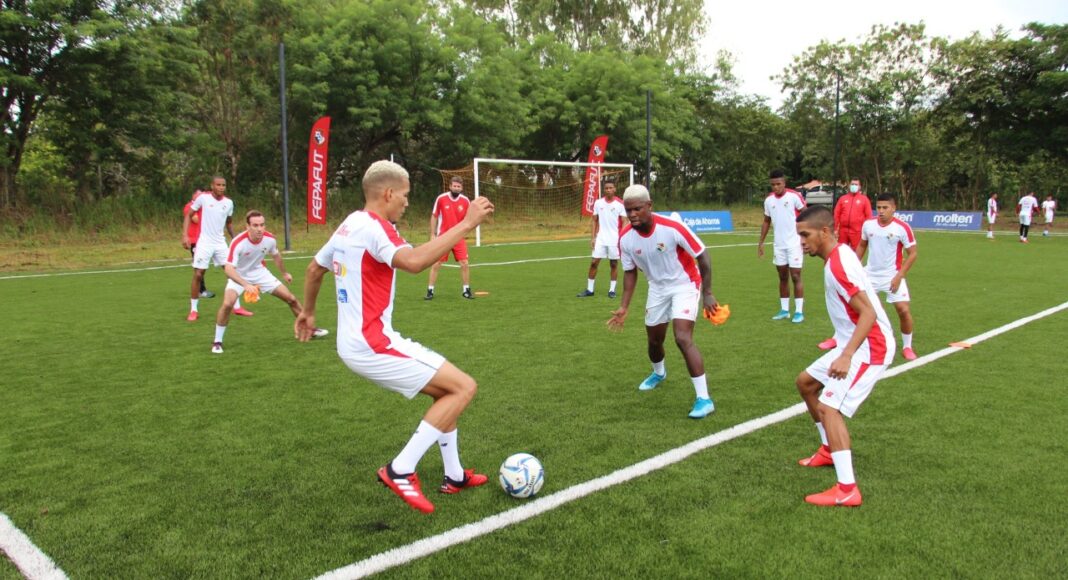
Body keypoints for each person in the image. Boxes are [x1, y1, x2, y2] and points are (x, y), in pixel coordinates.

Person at [295, 160, 495, 514]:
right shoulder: (376, 228)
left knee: (447, 391)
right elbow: (414, 262)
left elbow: (314, 269)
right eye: (404, 195)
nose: (406, 201)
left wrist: (307, 312)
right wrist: (466, 224)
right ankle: (400, 469)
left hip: (357, 342)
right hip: (373, 343)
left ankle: (454, 475)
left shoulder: (350, 223)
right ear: (388, 193)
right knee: (464, 387)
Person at [794, 205, 895, 507]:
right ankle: (828, 450)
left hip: (870, 346)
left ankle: (847, 489)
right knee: (806, 383)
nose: (801, 242)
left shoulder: (838, 265)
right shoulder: (839, 256)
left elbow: (868, 313)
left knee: (829, 407)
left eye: (805, 235)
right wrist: (839, 340)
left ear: (825, 232)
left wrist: (846, 354)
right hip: (852, 342)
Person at [606, 184, 721, 419]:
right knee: (654, 341)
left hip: (685, 284)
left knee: (682, 337)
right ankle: (659, 373)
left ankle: (704, 399)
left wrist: (708, 292)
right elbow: (630, 272)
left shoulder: (672, 227)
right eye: (628, 210)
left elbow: (702, 255)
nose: (632, 214)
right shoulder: (625, 238)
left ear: (649, 205)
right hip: (657, 289)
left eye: (637, 209)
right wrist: (624, 306)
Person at [211, 211, 328, 354]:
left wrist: (284, 273)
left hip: (260, 273)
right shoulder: (238, 242)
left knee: (291, 299)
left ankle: (310, 329)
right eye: (255, 225)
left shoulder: (270, 239)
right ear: (247, 226)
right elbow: (228, 269)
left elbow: (276, 255)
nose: (259, 229)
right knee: (227, 304)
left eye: (262, 225)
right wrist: (246, 285)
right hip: (239, 275)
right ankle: (217, 342)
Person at [857, 194, 918, 361]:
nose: (881, 211)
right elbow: (862, 245)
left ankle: (907, 347)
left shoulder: (902, 227)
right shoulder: (868, 225)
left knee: (903, 310)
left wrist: (899, 276)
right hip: (870, 275)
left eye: (885, 207)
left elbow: (913, 253)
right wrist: (854, 266)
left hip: (892, 275)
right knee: (859, 309)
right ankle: (844, 340)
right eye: (879, 207)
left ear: (893, 208)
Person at [182, 176, 252, 321]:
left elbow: (229, 223)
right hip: (204, 242)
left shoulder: (229, 203)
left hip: (220, 243)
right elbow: (189, 215)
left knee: (232, 273)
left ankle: (237, 307)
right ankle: (193, 310)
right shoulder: (203, 198)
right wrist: (185, 235)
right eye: (218, 185)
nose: (221, 187)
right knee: (198, 274)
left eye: (223, 185)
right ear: (212, 186)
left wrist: (235, 239)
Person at [820, 178, 872, 350]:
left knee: (853, 264)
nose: (854, 186)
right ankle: (838, 335)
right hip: (843, 231)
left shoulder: (863, 200)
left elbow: (868, 217)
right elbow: (836, 214)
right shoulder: (843, 199)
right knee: (836, 259)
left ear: (860, 186)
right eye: (852, 183)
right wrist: (835, 228)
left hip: (857, 231)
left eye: (856, 183)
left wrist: (865, 231)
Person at [757, 169, 806, 323]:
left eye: (778, 184)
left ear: (784, 183)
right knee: (782, 277)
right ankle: (784, 310)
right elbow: (766, 221)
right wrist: (761, 242)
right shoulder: (768, 200)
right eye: (773, 185)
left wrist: (804, 237)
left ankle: (799, 312)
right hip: (779, 245)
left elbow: (806, 215)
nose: (776, 187)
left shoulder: (794, 196)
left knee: (796, 276)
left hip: (794, 244)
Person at [425, 176, 474, 300]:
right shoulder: (441, 199)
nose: (456, 188)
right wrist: (433, 234)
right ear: (450, 186)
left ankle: (466, 290)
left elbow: (470, 218)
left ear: (461, 188)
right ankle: (430, 291)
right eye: (454, 186)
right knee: (436, 263)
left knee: (464, 263)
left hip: (459, 237)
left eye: (458, 186)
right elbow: (434, 216)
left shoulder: (465, 201)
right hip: (444, 237)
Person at [577, 178, 626, 298]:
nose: (608, 190)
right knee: (594, 262)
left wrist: (622, 238)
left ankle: (612, 290)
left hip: (614, 239)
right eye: (606, 188)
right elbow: (594, 221)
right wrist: (593, 238)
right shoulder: (598, 203)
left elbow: (625, 222)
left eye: (610, 188)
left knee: (613, 264)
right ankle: (590, 290)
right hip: (601, 238)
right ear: (604, 190)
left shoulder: (620, 204)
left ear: (614, 189)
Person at [183, 189, 213, 298]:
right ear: (194, 195)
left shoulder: (202, 207)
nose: (201, 197)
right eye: (199, 195)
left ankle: (201, 290)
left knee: (202, 265)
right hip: (194, 240)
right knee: (199, 266)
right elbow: (196, 219)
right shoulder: (189, 206)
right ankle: (201, 291)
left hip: (203, 239)